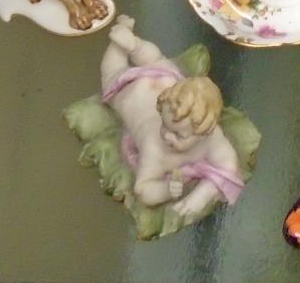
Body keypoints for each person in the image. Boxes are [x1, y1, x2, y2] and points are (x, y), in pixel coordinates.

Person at [99, 15, 245, 217]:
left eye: (178, 135)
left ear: (205, 132)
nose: (167, 136)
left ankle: (131, 42)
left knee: (157, 60)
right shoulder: (155, 148)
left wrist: (203, 193)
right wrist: (166, 190)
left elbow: (229, 164)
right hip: (129, 89)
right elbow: (143, 189)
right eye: (164, 126)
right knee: (113, 69)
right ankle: (124, 41)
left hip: (167, 80)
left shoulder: (209, 134)